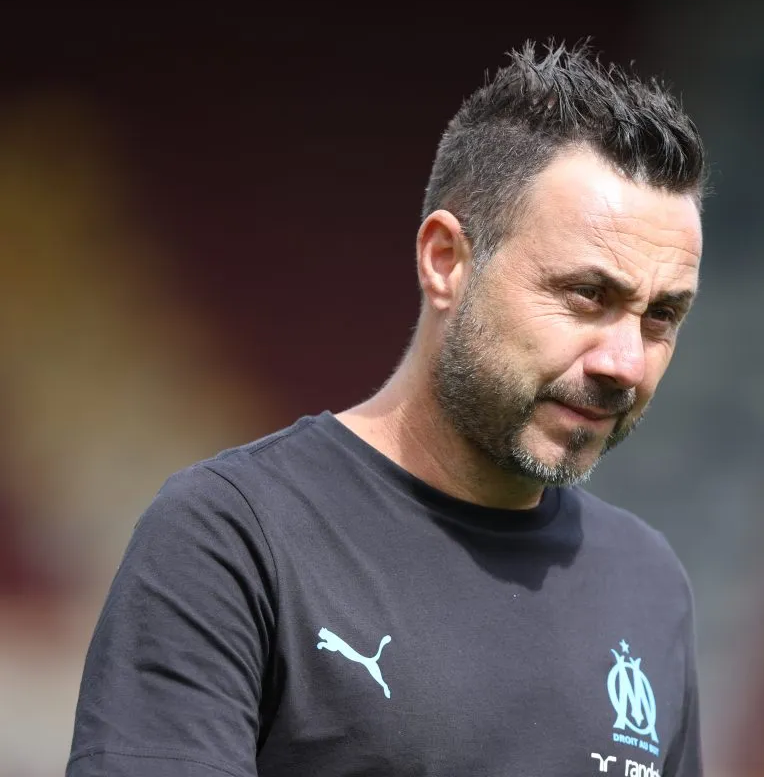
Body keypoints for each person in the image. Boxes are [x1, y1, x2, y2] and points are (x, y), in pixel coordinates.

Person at [67, 38, 708, 777]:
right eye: (586, 295)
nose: (624, 363)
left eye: (661, 316)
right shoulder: (237, 539)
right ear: (446, 261)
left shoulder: (649, 583)